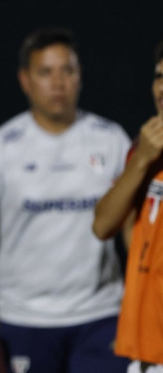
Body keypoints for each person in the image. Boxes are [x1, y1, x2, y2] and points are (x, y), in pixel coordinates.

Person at [0, 27, 131, 373]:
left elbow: (130, 223)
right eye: (46, 72)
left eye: (68, 70)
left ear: (80, 76)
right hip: (27, 316)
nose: (58, 82)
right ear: (25, 80)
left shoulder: (112, 140)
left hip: (100, 313)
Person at [93, 41, 163, 373]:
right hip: (144, 346)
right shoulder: (143, 151)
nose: (162, 88)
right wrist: (142, 161)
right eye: (159, 76)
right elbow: (103, 226)